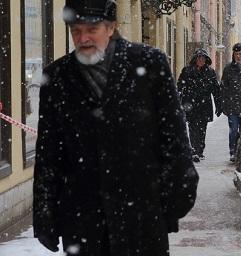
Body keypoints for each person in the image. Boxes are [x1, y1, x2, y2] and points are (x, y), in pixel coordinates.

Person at [33, 0, 198, 255]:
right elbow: (49, 154)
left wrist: (177, 194)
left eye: (92, 29)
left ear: (111, 28)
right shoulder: (57, 78)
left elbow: (174, 137)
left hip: (141, 213)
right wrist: (45, 214)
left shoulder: (150, 64)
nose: (83, 38)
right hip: (83, 219)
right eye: (76, 30)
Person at [178, 49, 219, 162]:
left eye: (203, 58)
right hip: (190, 104)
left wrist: (219, 105)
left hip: (204, 105)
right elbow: (180, 86)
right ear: (195, 59)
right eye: (199, 58)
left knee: (202, 129)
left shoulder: (210, 72)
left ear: (206, 60)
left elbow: (215, 90)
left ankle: (199, 150)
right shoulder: (187, 71)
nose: (201, 60)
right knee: (192, 128)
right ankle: (194, 151)